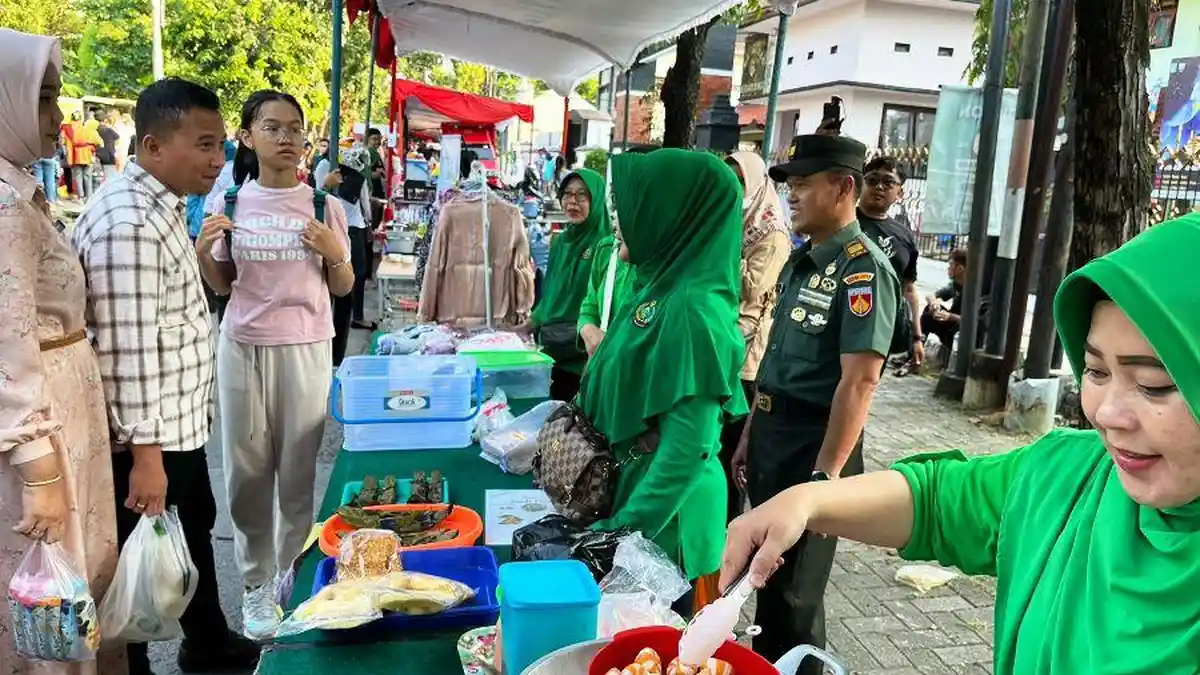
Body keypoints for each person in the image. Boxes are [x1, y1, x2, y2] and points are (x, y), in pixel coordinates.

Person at [722, 212, 1200, 673]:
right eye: (1095, 371)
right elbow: (938, 500)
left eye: (1155, 383)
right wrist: (808, 500)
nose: (1108, 415)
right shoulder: (1072, 475)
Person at [71, 77, 261, 675]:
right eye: (203, 145)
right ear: (153, 146)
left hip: (177, 423)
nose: (216, 160)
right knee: (139, 560)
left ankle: (205, 640)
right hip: (149, 436)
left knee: (192, 534)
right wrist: (147, 455)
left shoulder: (160, 206)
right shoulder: (129, 222)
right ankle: (136, 663)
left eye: (220, 145)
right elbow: (128, 349)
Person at [729, 134, 899, 666]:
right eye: (790, 186)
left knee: (795, 597)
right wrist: (750, 439)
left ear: (843, 186)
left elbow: (859, 384)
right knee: (768, 582)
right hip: (773, 440)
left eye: (803, 184)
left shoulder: (862, 270)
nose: (793, 196)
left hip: (813, 448)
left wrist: (825, 481)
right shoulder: (803, 263)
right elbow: (776, 364)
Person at [195, 90, 352, 636]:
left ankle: (290, 577)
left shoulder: (322, 205)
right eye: (272, 127)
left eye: (295, 129)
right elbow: (222, 285)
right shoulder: (231, 203)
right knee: (245, 473)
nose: (286, 138)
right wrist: (202, 252)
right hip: (241, 346)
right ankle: (257, 586)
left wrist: (334, 250)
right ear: (248, 136)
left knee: (297, 474)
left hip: (306, 348)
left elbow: (343, 285)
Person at [0, 28, 125, 675]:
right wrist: (40, 473)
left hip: (61, 418)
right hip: (42, 432)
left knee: (71, 590)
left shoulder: (17, 185)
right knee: (49, 595)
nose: (57, 118)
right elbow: (6, 342)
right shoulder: (2, 203)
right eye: (44, 100)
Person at [583, 149, 749, 615]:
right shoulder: (659, 284)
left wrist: (619, 533)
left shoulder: (694, 312)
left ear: (672, 213)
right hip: (635, 508)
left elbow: (684, 452)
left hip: (664, 534)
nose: (619, 217)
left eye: (636, 203)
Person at [721, 151, 791, 522]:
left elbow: (752, 289)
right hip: (725, 344)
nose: (733, 185)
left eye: (739, 178)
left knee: (734, 448)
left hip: (747, 355)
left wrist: (727, 251)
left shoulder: (770, 232)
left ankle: (733, 528)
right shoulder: (734, 222)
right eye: (728, 177)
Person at [529, 168, 611, 401]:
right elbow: (551, 291)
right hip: (551, 350)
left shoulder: (607, 246)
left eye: (582, 196)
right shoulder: (560, 241)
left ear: (595, 200)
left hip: (584, 355)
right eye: (567, 194)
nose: (572, 202)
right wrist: (531, 321)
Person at [856, 156, 922, 367]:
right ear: (860, 184)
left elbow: (909, 289)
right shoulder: (842, 222)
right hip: (837, 324)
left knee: (864, 386)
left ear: (900, 193)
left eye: (888, 182)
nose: (879, 187)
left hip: (881, 331)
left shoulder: (905, 237)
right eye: (872, 180)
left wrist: (917, 337)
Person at [921, 248, 967, 350]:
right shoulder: (955, 285)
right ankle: (916, 349)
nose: (948, 268)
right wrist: (934, 304)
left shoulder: (973, 290)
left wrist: (950, 316)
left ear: (960, 269)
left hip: (963, 331)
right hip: (952, 324)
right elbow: (931, 295)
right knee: (928, 313)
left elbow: (975, 321)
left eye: (951, 265)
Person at [95, 109, 120, 183]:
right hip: (109, 156)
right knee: (110, 180)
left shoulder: (94, 130)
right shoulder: (109, 130)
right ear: (105, 119)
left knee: (98, 180)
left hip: (97, 156)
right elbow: (117, 139)